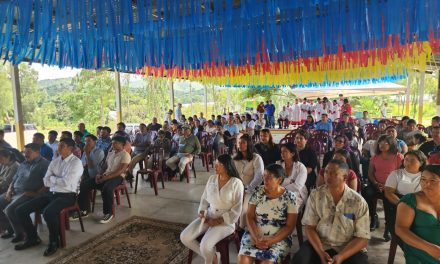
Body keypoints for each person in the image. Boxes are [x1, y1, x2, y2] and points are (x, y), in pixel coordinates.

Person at [292, 159, 370, 264]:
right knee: (300, 260)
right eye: (326, 172)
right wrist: (320, 252)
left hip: (347, 247)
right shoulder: (316, 195)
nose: (328, 176)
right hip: (321, 243)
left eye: (334, 173)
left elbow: (362, 238)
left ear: (345, 178)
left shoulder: (358, 202)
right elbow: (309, 227)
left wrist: (341, 256)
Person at [14, 138, 83, 256]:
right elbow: (46, 181)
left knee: (48, 213)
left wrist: (53, 179)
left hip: (68, 196)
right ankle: (32, 238)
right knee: (20, 210)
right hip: (51, 193)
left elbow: (67, 182)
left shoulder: (76, 163)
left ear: (70, 149)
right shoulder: (55, 161)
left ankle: (54, 242)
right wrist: (56, 180)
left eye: (62, 146)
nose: (58, 148)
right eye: (59, 146)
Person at [180, 154, 244, 264]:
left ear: (227, 166)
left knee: (205, 245)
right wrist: (201, 212)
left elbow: (237, 209)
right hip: (209, 215)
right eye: (215, 164)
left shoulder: (236, 183)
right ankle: (213, 256)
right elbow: (204, 198)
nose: (215, 167)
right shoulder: (212, 179)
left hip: (226, 222)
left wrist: (218, 221)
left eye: (219, 165)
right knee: (185, 237)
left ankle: (210, 259)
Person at [238, 164, 298, 263]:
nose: (265, 180)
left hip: (279, 238)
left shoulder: (290, 197)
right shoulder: (258, 192)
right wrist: (256, 237)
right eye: (264, 176)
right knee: (243, 259)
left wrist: (271, 241)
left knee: (268, 261)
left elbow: (290, 226)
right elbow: (250, 216)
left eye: (269, 177)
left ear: (279, 179)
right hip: (255, 234)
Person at [0, 144, 49, 242]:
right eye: (24, 152)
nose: (25, 154)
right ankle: (12, 229)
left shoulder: (45, 164)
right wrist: (9, 191)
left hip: (29, 194)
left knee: (9, 210)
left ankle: (22, 234)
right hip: (15, 192)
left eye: (28, 152)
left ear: (37, 152)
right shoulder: (23, 164)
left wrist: (37, 194)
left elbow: (48, 183)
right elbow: (14, 180)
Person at [77, 136, 131, 224]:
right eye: (112, 143)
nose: (113, 144)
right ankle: (84, 210)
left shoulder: (125, 155)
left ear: (122, 144)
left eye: (116, 143)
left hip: (117, 177)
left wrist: (105, 178)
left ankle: (108, 213)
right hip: (106, 175)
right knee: (84, 184)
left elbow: (120, 170)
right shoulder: (111, 153)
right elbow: (104, 166)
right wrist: (99, 175)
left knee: (107, 188)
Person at [395, 164, 440, 264]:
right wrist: (429, 248)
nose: (426, 184)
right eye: (423, 179)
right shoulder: (410, 201)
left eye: (433, 180)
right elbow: (400, 229)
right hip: (420, 255)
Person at [363, 135, 404, 234]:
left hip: (392, 187)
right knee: (366, 192)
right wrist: (376, 183)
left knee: (388, 199)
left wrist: (388, 186)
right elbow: (370, 173)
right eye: (380, 143)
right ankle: (373, 217)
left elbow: (400, 174)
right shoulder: (375, 157)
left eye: (385, 143)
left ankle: (388, 226)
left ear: (391, 144)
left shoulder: (398, 157)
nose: (382, 145)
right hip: (376, 184)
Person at [383, 150, 426, 241]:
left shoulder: (425, 176)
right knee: (402, 233)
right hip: (398, 206)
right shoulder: (396, 174)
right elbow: (388, 192)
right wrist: (404, 205)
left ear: (421, 163)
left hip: (420, 207)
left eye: (412, 160)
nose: (408, 163)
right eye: (406, 159)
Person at [233, 134, 264, 228]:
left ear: (249, 144)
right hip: (236, 187)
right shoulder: (235, 158)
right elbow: (232, 174)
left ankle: (241, 229)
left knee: (244, 208)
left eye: (243, 143)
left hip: (251, 188)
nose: (240, 145)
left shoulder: (256, 158)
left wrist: (248, 189)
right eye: (239, 143)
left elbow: (259, 176)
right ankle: (230, 227)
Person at [277, 143, 308, 207]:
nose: (282, 153)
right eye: (281, 151)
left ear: (292, 154)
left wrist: (280, 190)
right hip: (278, 192)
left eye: (285, 151)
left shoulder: (300, 167)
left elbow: (297, 186)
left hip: (296, 193)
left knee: (289, 205)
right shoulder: (278, 164)